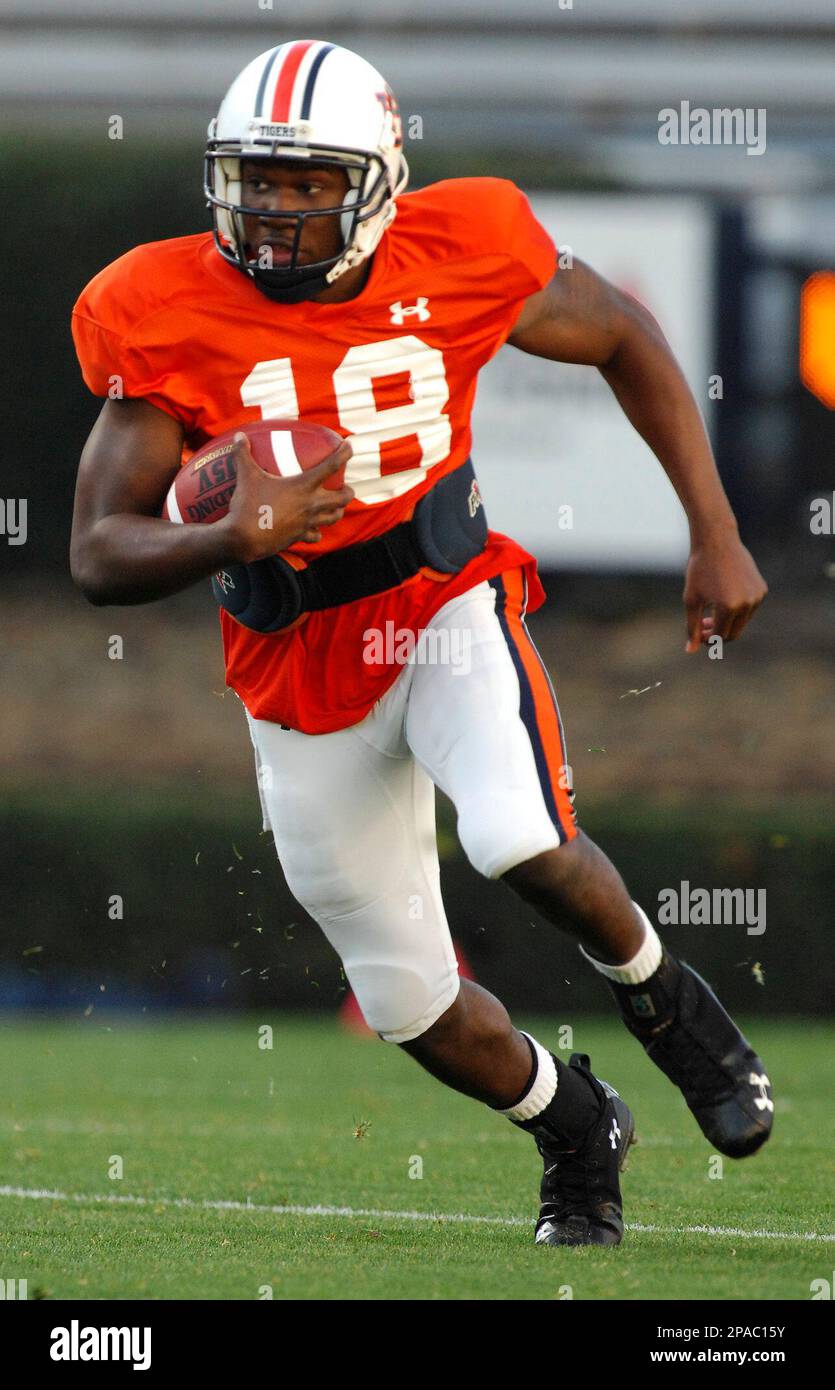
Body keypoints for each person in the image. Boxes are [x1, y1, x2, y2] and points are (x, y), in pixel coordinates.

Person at [70, 39, 772, 1248]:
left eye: (306, 183)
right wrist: (234, 530)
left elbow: (622, 336)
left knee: (515, 834)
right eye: (256, 179)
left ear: (380, 185)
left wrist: (713, 529)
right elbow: (96, 549)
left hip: (445, 600)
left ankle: (674, 1009)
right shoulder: (161, 301)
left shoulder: (467, 244)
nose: (275, 210)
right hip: (293, 665)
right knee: (404, 1000)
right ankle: (574, 1125)